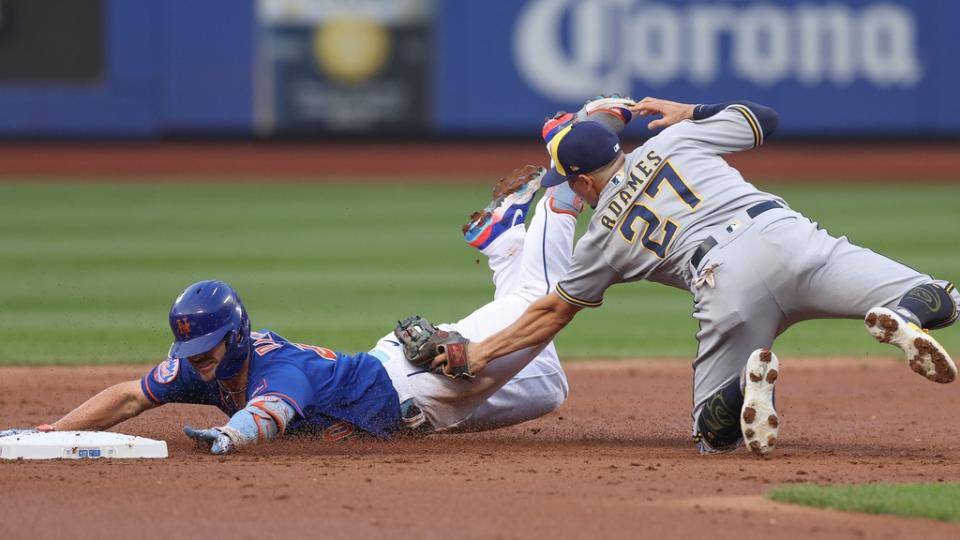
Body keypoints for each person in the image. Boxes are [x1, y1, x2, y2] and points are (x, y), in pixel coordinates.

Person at [441, 96, 958, 457]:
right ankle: (903, 313)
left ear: (579, 181)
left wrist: (481, 353)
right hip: (787, 236)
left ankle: (741, 389)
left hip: (724, 282)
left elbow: (552, 312)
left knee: (714, 437)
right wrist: (686, 111)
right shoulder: (672, 143)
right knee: (941, 298)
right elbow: (763, 118)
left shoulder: (600, 238)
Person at [1, 165, 584, 454]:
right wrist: (53, 430)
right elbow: (130, 394)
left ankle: (560, 186)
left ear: (234, 338)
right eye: (191, 354)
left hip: (426, 382)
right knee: (549, 387)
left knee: (535, 305)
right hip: (409, 391)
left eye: (206, 352)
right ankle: (505, 243)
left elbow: (271, 414)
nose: (197, 364)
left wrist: (229, 436)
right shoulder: (200, 366)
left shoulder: (277, 369)